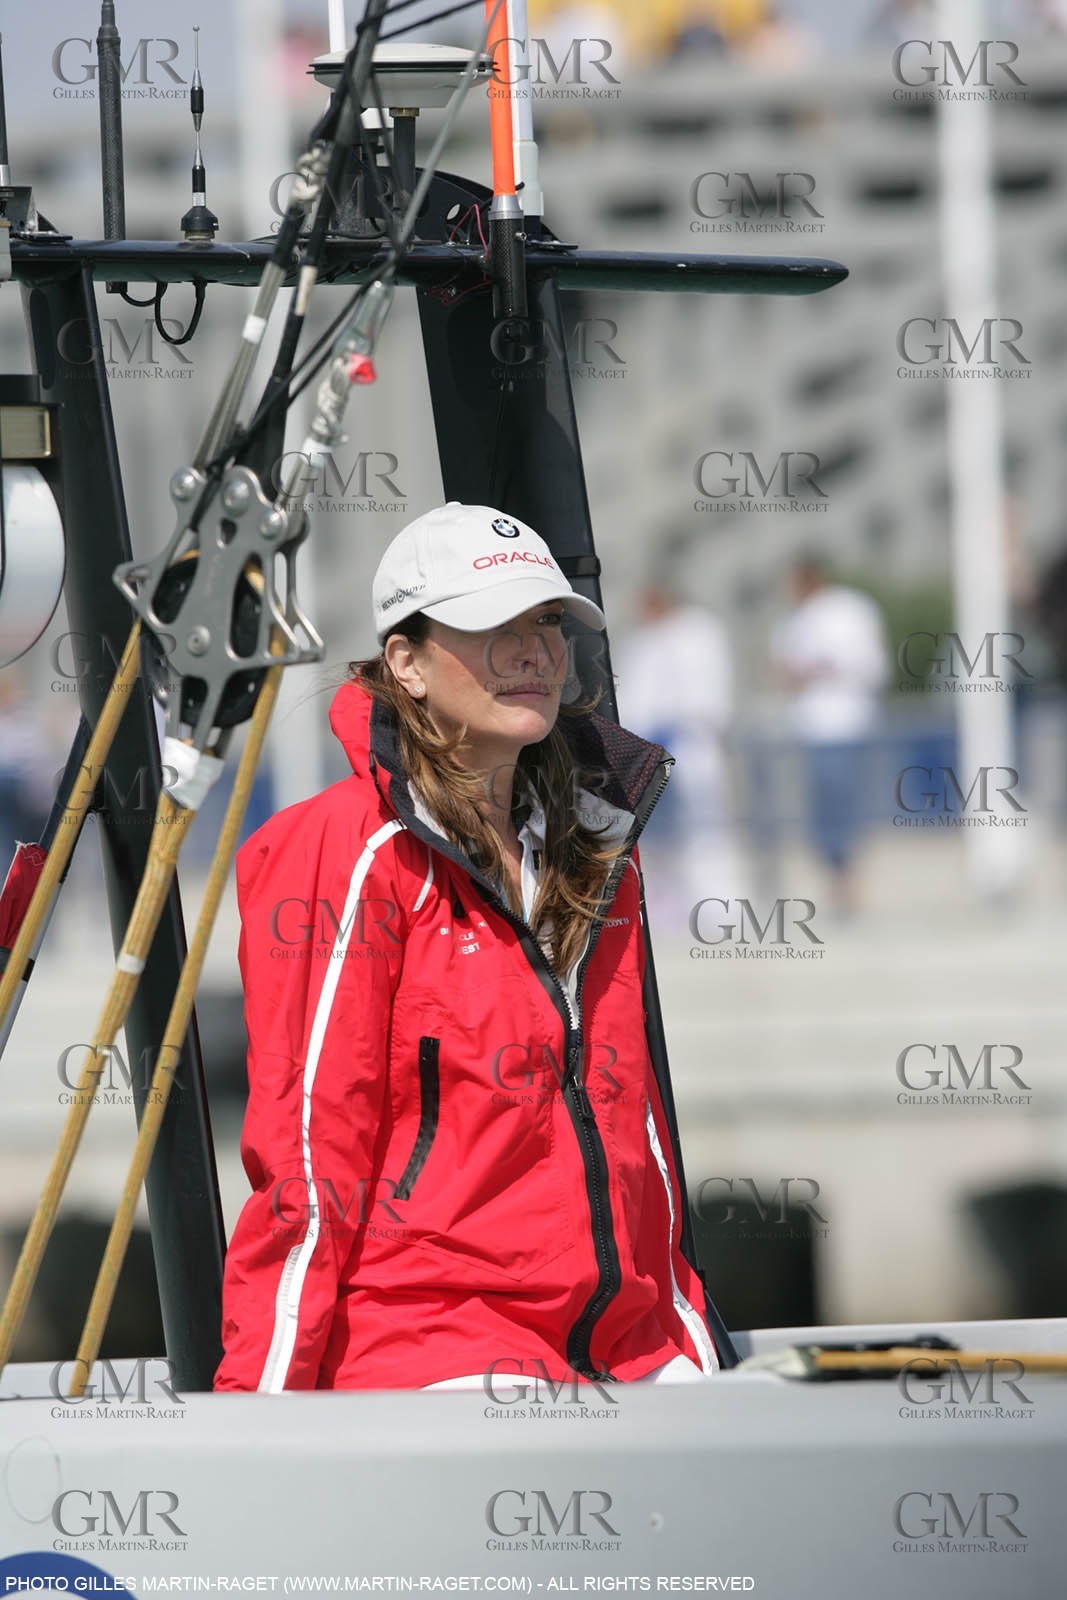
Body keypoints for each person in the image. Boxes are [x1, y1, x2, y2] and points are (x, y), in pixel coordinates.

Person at [214, 503, 721, 1392]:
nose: (533, 652)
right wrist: (258, 1415)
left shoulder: (597, 853)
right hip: (429, 1338)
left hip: (616, 1341)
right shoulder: (349, 851)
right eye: (494, 627)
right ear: (403, 663)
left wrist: (687, 1337)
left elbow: (637, 1131)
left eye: (546, 623)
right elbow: (308, 1152)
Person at [770, 551, 888, 913]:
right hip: (811, 729)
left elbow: (868, 665)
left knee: (844, 805)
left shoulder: (850, 610)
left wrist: (821, 669)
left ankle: (848, 880)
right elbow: (783, 672)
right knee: (822, 810)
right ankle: (837, 879)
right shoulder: (793, 622)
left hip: (846, 725)